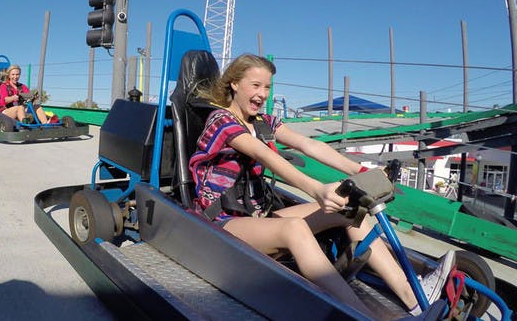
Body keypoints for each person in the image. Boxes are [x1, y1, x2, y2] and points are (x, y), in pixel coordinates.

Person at [188, 54, 455, 318]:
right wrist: (316, 190)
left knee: (350, 210)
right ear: (234, 84)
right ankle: (361, 315)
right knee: (294, 227)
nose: (262, 94)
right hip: (221, 223)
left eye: (267, 87)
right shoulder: (221, 121)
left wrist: (360, 169)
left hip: (257, 216)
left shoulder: (263, 122)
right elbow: (266, 155)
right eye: (255, 85)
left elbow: (310, 145)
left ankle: (414, 297)